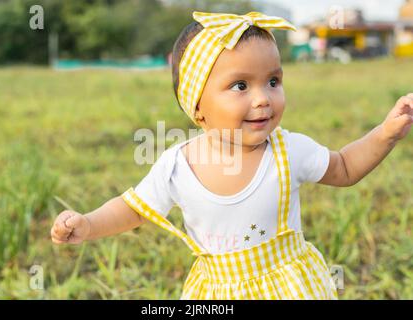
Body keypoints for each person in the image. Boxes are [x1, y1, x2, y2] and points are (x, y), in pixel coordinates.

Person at [50, 11, 413, 299]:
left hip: (292, 288)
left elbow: (345, 167)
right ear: (197, 106)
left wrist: (385, 133)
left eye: (273, 81)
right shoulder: (178, 166)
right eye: (240, 85)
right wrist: (89, 224)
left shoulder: (289, 150)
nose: (262, 98)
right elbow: (133, 208)